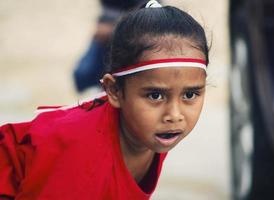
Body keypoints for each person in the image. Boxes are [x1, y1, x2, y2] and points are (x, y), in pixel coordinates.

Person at [0, 0, 209, 199]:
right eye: (155, 95)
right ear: (114, 90)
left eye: (189, 95)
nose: (174, 115)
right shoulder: (80, 156)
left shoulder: (152, 132)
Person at [73, 0, 157, 92]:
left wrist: (111, 29)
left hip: (133, 33)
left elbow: (149, 15)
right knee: (83, 74)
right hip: (108, 33)